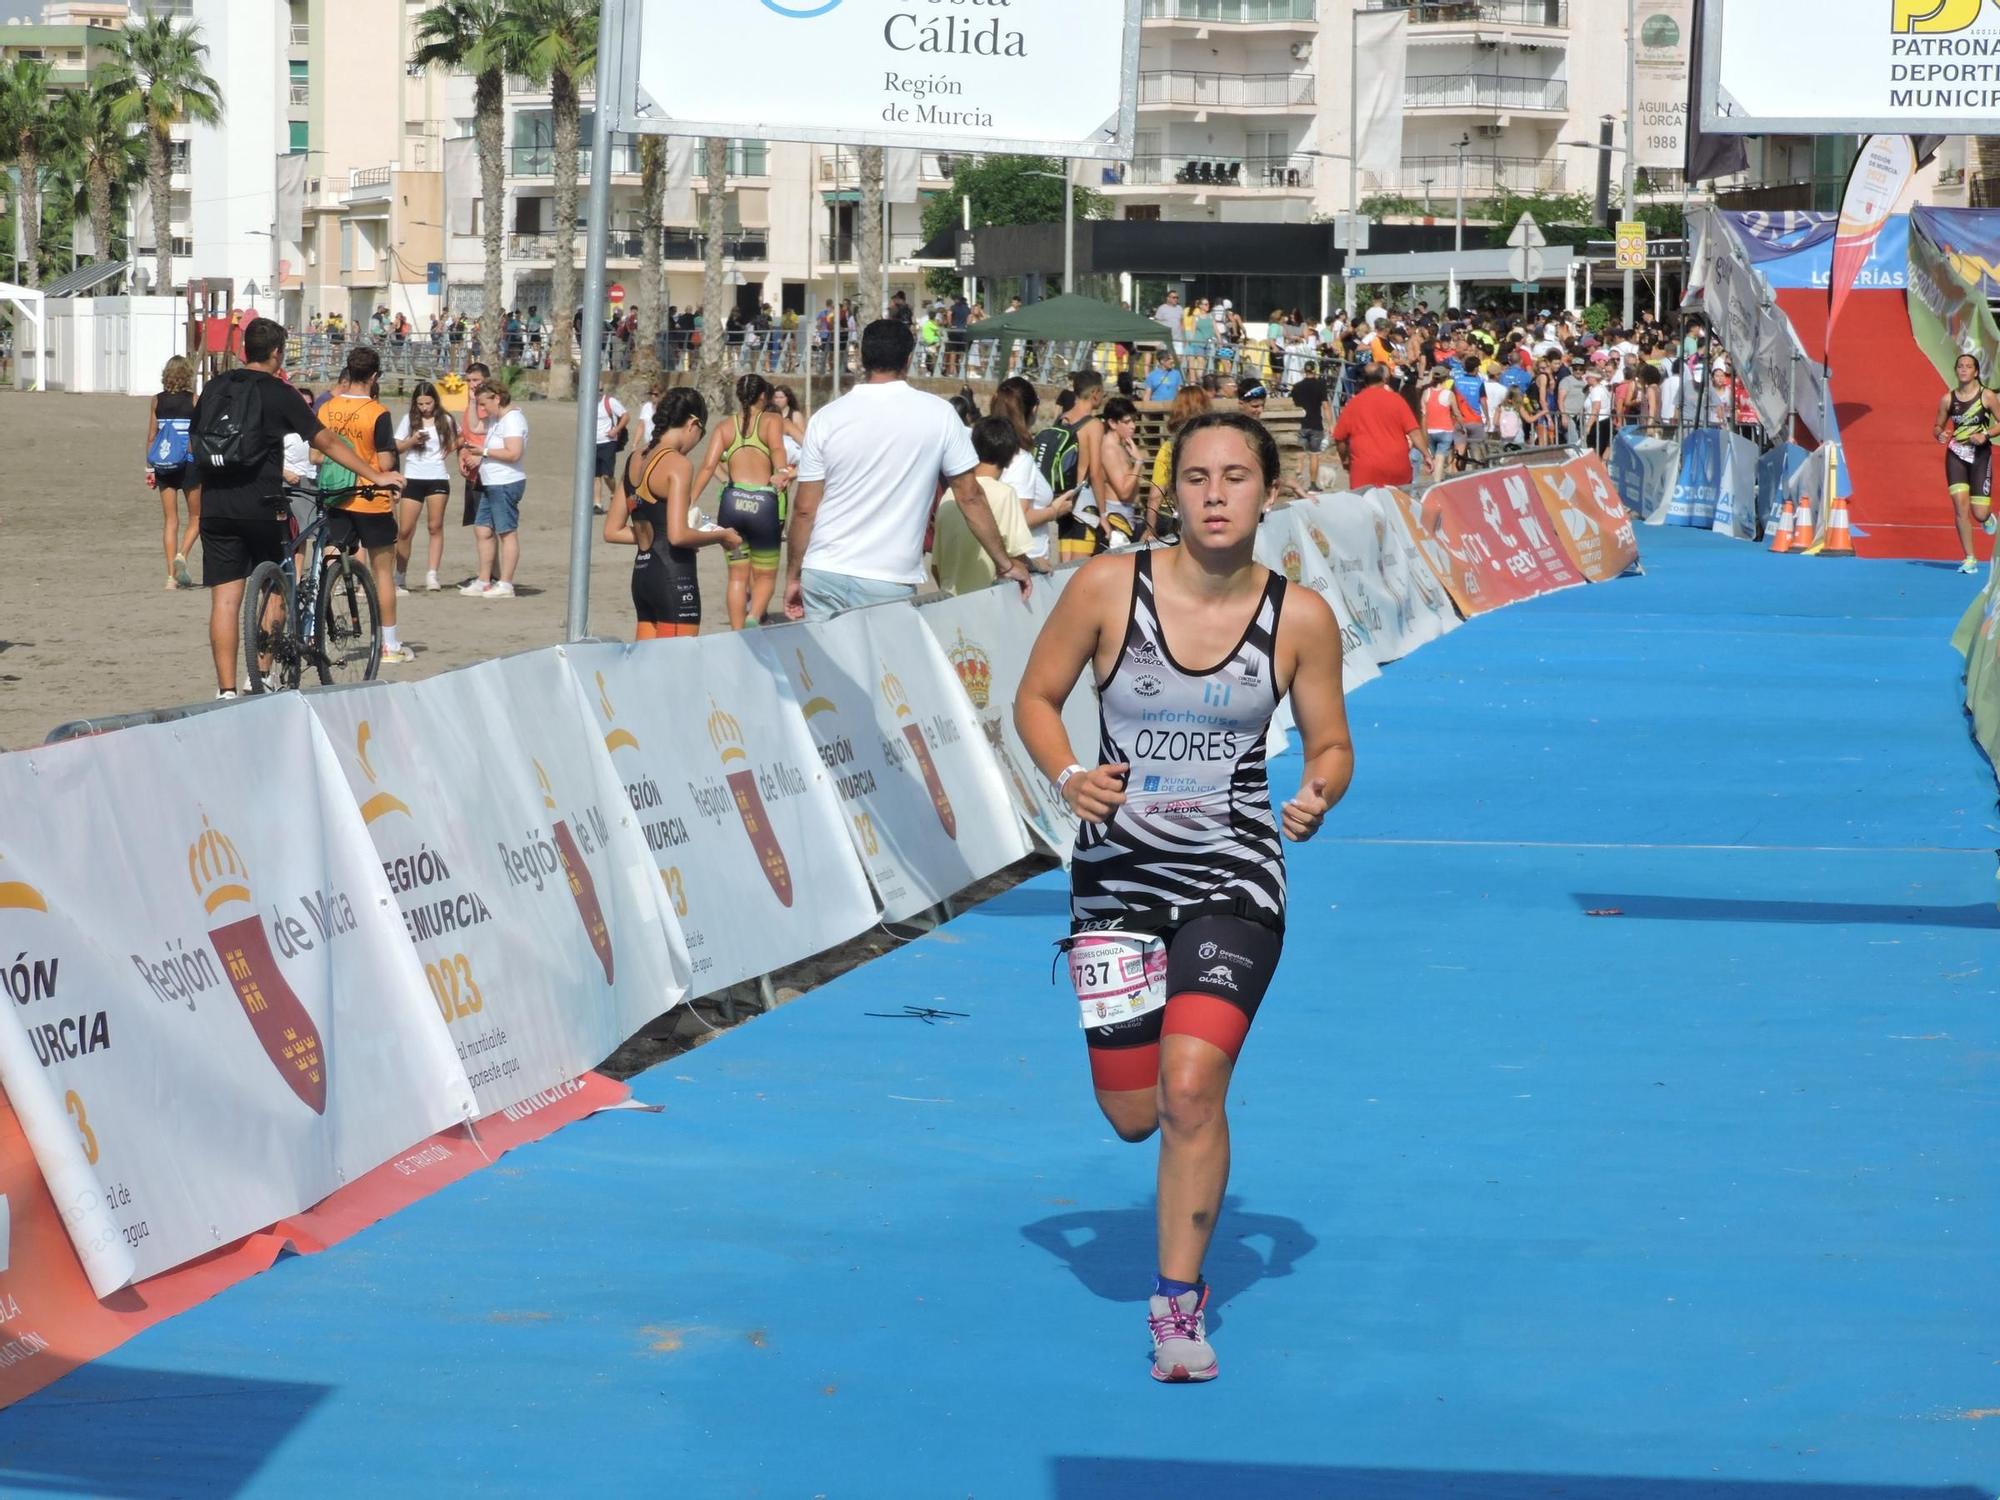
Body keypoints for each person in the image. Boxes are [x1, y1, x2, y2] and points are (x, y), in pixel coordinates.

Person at [1013, 411, 1353, 1385]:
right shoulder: (1106, 588)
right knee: (1130, 1114)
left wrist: (1318, 790)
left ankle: (1175, 1304)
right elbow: (1032, 699)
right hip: (1116, 875)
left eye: (1234, 476)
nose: (1214, 494)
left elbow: (1329, 742)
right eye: (1196, 476)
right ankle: (1143, 1071)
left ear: (1266, 491)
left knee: (1191, 1089)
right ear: (1171, 492)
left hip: (1232, 871)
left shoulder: (1298, 619)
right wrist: (1071, 774)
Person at [190, 318, 403, 698]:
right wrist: (376, 475)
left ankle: (224, 691)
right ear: (277, 353)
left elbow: (196, 443)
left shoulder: (214, 387)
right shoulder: (280, 392)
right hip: (262, 503)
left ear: (243, 352)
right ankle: (263, 676)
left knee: (224, 599)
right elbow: (327, 442)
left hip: (216, 505)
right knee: (277, 585)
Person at [784, 319, 1028, 622]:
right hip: (887, 576)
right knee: (883, 668)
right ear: (909, 359)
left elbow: (805, 509)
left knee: (828, 670)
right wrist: (1004, 563)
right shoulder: (939, 415)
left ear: (862, 358)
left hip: (822, 571)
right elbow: (970, 497)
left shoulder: (826, 418)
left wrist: (793, 576)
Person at [605, 388, 741, 639]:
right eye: (701, 434)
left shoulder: (635, 458)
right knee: (676, 673)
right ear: (693, 424)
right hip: (674, 578)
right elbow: (678, 536)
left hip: (643, 578)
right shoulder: (678, 464)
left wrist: (657, 533)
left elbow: (613, 531)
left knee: (645, 672)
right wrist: (722, 536)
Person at [315, 347, 412, 663]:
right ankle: (390, 644)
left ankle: (319, 634)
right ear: (374, 376)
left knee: (330, 566)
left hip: (335, 494)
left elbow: (316, 454)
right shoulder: (377, 412)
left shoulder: (327, 408)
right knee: (382, 571)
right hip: (369, 497)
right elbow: (384, 460)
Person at [692, 373, 793, 629]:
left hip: (732, 502)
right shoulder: (771, 420)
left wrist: (689, 501)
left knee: (737, 576)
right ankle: (753, 616)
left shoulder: (725, 427)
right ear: (763, 396)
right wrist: (781, 473)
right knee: (766, 575)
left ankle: (737, 633)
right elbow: (778, 450)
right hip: (763, 503)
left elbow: (707, 467)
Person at [932, 416, 1035, 595]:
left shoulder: (949, 495)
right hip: (986, 601)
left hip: (949, 602)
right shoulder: (1005, 494)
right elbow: (1018, 557)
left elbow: (936, 565)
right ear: (1011, 456)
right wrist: (1041, 564)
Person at [992, 376, 1070, 572]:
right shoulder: (1020, 459)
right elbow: (1020, 517)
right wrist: (1054, 511)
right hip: (1028, 562)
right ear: (1034, 410)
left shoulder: (990, 450)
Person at [1935, 351, 2000, 573]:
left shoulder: (1987, 396)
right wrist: (1940, 434)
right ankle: (1970, 558)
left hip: (1981, 456)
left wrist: (1987, 435)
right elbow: (1937, 426)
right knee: (1960, 508)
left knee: (1978, 513)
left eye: (1968, 366)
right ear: (1956, 371)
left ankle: (1988, 518)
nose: (1963, 369)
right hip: (1956, 456)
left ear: (1976, 372)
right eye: (1960, 366)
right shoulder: (1947, 399)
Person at [462, 382, 526, 597]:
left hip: (505, 482)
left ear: (497, 398)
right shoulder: (496, 419)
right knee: (482, 528)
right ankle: (484, 579)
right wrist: (472, 401)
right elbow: (473, 427)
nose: (482, 409)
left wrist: (483, 451)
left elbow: (514, 453)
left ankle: (506, 583)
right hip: (490, 481)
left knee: (506, 532)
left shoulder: (513, 419)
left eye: (484, 403)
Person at [394, 381, 456, 593]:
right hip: (413, 476)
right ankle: (400, 576)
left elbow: (459, 438)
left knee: (435, 526)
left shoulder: (445, 419)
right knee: (405, 530)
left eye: (428, 403)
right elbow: (396, 447)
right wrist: (412, 441)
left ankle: (432, 574)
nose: (424, 408)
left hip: (437, 477)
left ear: (435, 401)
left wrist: (450, 449)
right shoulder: (408, 420)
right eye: (420, 404)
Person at [1037, 372, 1106, 562]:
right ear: (1095, 393)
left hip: (1063, 500)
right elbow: (1096, 472)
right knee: (1079, 571)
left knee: (1064, 569)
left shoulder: (1062, 418)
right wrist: (1104, 514)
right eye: (1103, 393)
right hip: (1084, 501)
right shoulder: (1094, 425)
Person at [147, 354, 200, 590]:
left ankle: (170, 578)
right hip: (188, 462)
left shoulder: (156, 401)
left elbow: (152, 437)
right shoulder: (194, 400)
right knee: (197, 518)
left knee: (170, 520)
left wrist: (149, 468)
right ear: (187, 375)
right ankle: (182, 555)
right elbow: (197, 436)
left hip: (164, 463)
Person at [1332, 362, 1426, 491]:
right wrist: (1427, 455)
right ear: (1384, 379)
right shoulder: (1396, 400)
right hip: (1397, 467)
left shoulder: (1354, 404)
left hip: (1365, 470)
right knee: (1398, 508)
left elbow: (1339, 438)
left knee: (1366, 509)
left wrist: (1345, 460)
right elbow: (1413, 431)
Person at [1145, 386, 1212, 542]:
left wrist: (1149, 529)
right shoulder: (1212, 445)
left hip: (1170, 518)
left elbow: (1155, 495)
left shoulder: (1169, 448)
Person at [1096, 396, 1145, 546]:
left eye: (1134, 421)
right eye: (1126, 422)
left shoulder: (1121, 446)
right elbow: (1123, 491)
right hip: (1116, 517)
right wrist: (1138, 462)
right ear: (1112, 423)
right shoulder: (1110, 449)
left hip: (1126, 514)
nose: (1133, 426)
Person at [1287, 361, 1331, 492]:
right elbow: (1325, 406)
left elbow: (1291, 406)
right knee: (1314, 455)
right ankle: (1312, 485)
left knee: (1299, 454)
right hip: (1316, 424)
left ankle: (1297, 481)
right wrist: (1331, 424)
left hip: (1301, 424)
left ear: (1304, 371)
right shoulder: (1320, 385)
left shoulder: (1297, 387)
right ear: (1315, 370)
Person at [592, 387, 629, 515]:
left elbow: (625, 416)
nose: (598, 391)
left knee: (607, 475)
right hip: (592, 443)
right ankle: (597, 503)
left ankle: (614, 493)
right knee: (595, 475)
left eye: (600, 389)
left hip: (608, 442)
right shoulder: (588, 401)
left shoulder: (610, 402)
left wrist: (616, 430)